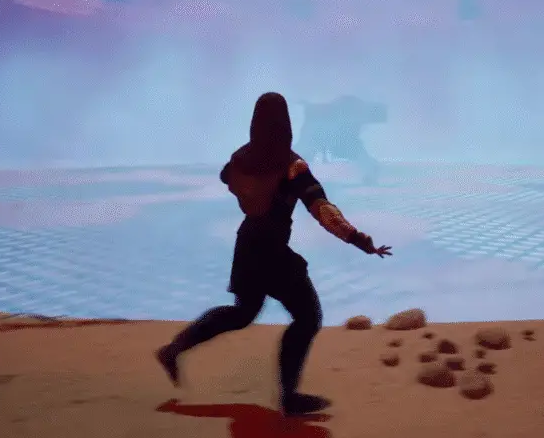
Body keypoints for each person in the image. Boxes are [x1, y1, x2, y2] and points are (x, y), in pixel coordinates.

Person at [157, 92, 392, 417]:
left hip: (247, 244)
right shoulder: (292, 166)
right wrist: (358, 239)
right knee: (307, 318)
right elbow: (323, 210)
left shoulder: (240, 159)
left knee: (242, 313)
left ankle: (175, 348)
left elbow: (227, 178)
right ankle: (288, 397)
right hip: (271, 251)